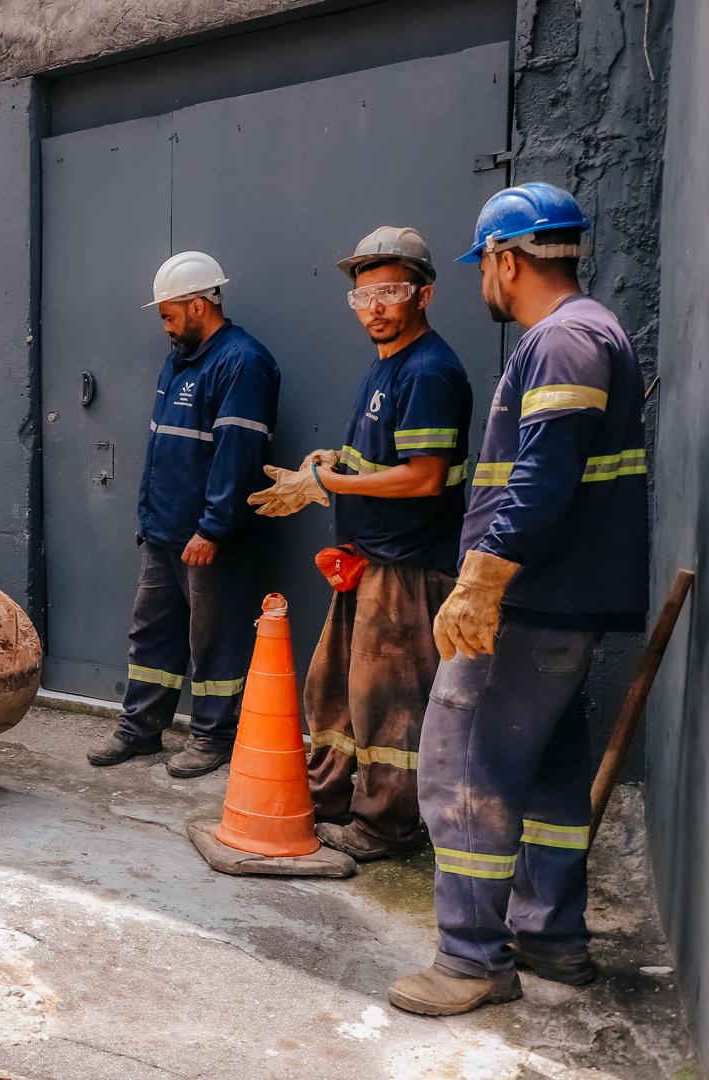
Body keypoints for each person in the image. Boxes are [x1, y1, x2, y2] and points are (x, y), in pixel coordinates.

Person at [386, 183, 648, 1016]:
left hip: (526, 604)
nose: (484, 284)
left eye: (483, 267)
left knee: (461, 771)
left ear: (506, 259)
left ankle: (471, 960)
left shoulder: (565, 340)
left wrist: (485, 574)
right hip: (561, 605)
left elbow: (543, 474)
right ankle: (550, 938)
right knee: (549, 776)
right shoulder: (591, 332)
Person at [246, 227, 473, 861]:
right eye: (362, 295)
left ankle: (387, 828)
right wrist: (332, 461)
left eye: (391, 292)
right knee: (335, 691)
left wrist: (325, 480)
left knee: (388, 707)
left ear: (423, 294)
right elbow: (378, 459)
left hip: (406, 569)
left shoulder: (430, 370)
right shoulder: (387, 366)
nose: (374, 307)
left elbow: (425, 475)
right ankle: (332, 802)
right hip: (370, 564)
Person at [88, 251, 282, 778]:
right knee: (152, 634)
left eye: (169, 314)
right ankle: (140, 728)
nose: (164, 325)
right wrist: (152, 521)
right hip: (164, 532)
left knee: (213, 640)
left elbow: (237, 457)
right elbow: (165, 452)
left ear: (199, 305)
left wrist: (213, 528)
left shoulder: (242, 362)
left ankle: (212, 737)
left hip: (207, 538)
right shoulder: (181, 358)